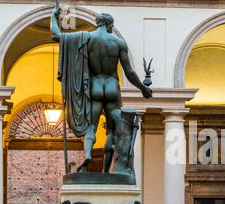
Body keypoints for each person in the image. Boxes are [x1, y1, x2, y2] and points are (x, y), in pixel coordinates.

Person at [50, 0, 152, 173]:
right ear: (110, 24)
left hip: (94, 88)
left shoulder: (86, 38)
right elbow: (129, 73)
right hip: (112, 89)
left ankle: (88, 154)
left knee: (91, 127)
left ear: (97, 23)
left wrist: (53, 16)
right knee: (112, 131)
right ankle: (106, 172)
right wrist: (143, 88)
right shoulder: (118, 42)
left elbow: (57, 35)